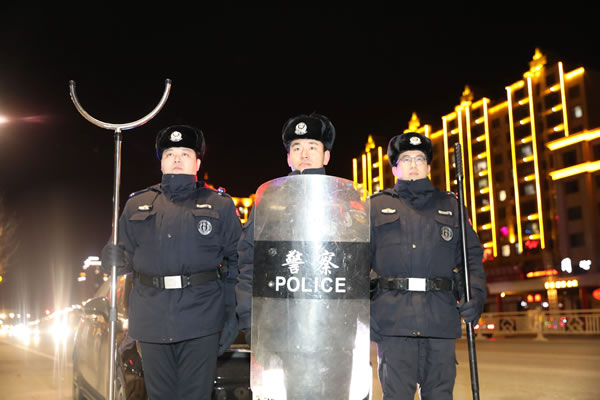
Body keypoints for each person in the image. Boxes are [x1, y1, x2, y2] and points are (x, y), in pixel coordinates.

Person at [101, 125, 241, 400]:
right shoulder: (137, 205)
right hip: (152, 318)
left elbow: (237, 262)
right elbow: (121, 259)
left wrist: (231, 316)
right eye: (170, 154)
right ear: (161, 162)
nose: (177, 159)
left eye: (185, 154)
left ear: (197, 163)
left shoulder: (219, 205)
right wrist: (111, 258)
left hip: (201, 318)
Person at [237, 113, 362, 400]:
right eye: (297, 148)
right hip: (282, 326)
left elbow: (362, 264)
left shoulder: (347, 199)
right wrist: (248, 316)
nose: (304, 154)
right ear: (288, 157)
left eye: (312, 147)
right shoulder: (269, 200)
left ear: (326, 155)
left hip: (336, 330)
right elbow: (248, 260)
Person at [369, 131, 487, 400]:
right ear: (394, 168)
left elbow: (470, 257)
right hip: (393, 322)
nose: (413, 164)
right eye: (406, 159)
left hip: (439, 320)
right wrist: (364, 312)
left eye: (419, 159)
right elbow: (356, 264)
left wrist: (476, 295)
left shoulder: (451, 205)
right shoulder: (375, 207)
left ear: (429, 167)